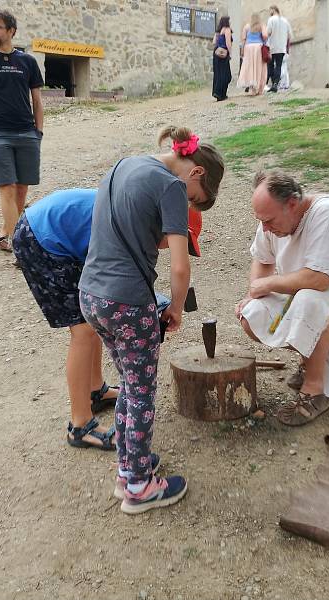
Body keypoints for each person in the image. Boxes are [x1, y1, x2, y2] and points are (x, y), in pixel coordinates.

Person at [79, 126, 225, 514]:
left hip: (91, 295)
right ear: (196, 173)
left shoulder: (123, 164)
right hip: (127, 301)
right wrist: (175, 308)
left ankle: (129, 470)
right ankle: (140, 488)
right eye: (196, 199)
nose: (188, 203)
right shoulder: (172, 187)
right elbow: (180, 267)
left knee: (129, 382)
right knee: (141, 391)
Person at [12, 190, 205, 454]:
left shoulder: (142, 219)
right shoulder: (133, 227)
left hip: (66, 237)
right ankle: (80, 426)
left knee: (93, 320)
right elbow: (118, 285)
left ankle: (95, 391)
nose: (169, 246)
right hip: (42, 238)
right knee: (83, 330)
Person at [235, 171, 329, 427]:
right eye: (261, 221)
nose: (265, 227)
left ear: (292, 203)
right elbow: (262, 258)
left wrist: (266, 284)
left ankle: (315, 389)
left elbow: (318, 280)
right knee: (252, 314)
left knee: (308, 300)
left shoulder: (328, 213)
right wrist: (252, 294)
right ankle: (310, 359)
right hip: (303, 295)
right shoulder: (271, 217)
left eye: (269, 220)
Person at [0, 9, 44, 253]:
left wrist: (39, 131)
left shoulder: (28, 62)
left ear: (11, 31)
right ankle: (18, 243)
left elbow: (37, 100)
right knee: (7, 186)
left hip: (27, 133)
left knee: (22, 187)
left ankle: (7, 231)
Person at [237, 12, 267, 95]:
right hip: (258, 47)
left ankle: (252, 89)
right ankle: (260, 89)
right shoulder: (261, 25)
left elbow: (243, 39)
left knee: (250, 68)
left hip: (248, 48)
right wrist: (264, 41)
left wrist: (242, 50)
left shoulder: (247, 26)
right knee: (259, 67)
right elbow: (265, 35)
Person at [266, 5, 293, 93]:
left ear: (273, 10)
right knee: (278, 66)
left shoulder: (271, 20)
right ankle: (275, 84)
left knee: (270, 66)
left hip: (272, 46)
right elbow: (289, 35)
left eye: (270, 10)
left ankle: (273, 83)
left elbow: (268, 32)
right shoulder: (285, 20)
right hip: (281, 47)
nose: (269, 12)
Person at [212, 16, 233, 102]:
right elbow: (228, 43)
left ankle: (217, 92)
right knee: (226, 75)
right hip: (223, 54)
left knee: (218, 74)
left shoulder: (218, 31)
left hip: (216, 53)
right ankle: (222, 94)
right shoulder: (227, 30)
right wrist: (230, 52)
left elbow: (214, 42)